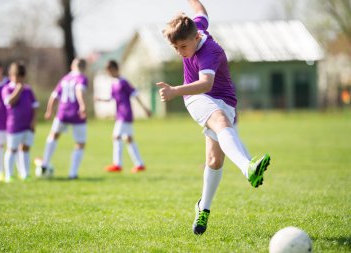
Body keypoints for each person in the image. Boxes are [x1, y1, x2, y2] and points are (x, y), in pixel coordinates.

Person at [157, 0, 271, 235]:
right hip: (197, 99)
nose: (180, 52)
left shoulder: (210, 51)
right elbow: (201, 11)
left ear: (196, 38)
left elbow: (206, 83)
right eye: (176, 48)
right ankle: (248, 168)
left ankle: (203, 208)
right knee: (220, 121)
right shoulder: (194, 27)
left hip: (219, 97)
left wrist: (174, 91)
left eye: (183, 47)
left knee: (214, 160)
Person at [95, 60, 151, 173]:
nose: (109, 73)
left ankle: (117, 164)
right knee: (128, 139)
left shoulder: (123, 82)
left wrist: (145, 108)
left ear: (115, 69)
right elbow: (112, 98)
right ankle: (139, 164)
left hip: (125, 113)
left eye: (110, 70)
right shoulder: (113, 83)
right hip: (119, 114)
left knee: (116, 136)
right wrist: (101, 99)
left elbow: (135, 94)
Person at [38, 58, 88, 180]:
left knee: (53, 135)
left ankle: (45, 163)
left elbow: (54, 95)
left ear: (72, 66)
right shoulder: (82, 78)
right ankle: (72, 173)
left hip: (62, 112)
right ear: (84, 67)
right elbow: (79, 90)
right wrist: (82, 105)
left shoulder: (65, 78)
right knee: (80, 143)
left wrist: (49, 110)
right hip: (76, 113)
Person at [2, 61, 39, 182]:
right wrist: (18, 90)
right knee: (12, 149)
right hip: (14, 125)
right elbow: (10, 102)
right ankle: (9, 175)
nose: (19, 79)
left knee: (25, 149)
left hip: (27, 125)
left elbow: (35, 106)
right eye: (16, 75)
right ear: (11, 75)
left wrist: (34, 121)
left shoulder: (28, 90)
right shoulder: (7, 89)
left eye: (21, 76)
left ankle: (25, 174)